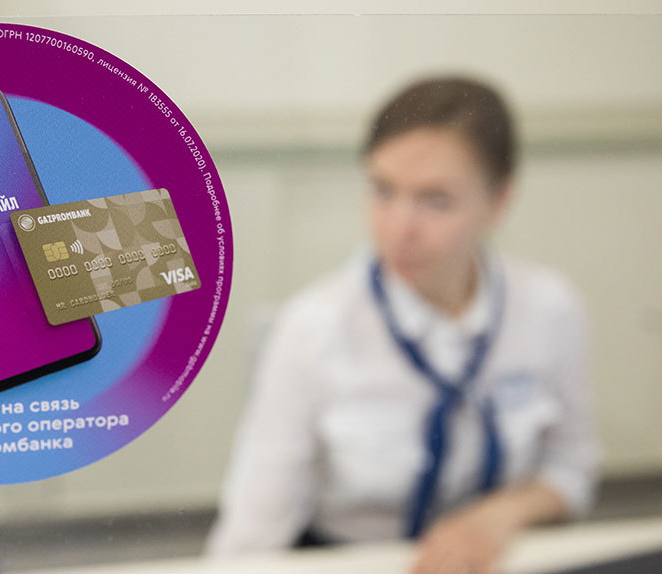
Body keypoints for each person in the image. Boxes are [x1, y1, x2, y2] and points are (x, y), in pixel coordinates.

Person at [206, 76, 600, 574]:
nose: (399, 228)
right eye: (382, 190)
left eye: (436, 200)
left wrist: (493, 520)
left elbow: (572, 468)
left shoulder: (550, 309)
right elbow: (251, 538)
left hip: (490, 558)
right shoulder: (311, 327)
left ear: (498, 201)